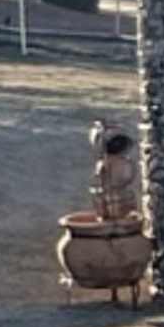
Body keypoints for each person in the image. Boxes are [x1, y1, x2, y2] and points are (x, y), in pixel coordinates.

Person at [56, 122, 149, 304]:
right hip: (114, 203)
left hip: (116, 202)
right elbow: (120, 178)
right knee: (115, 223)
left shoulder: (109, 164)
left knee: (117, 222)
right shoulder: (116, 165)